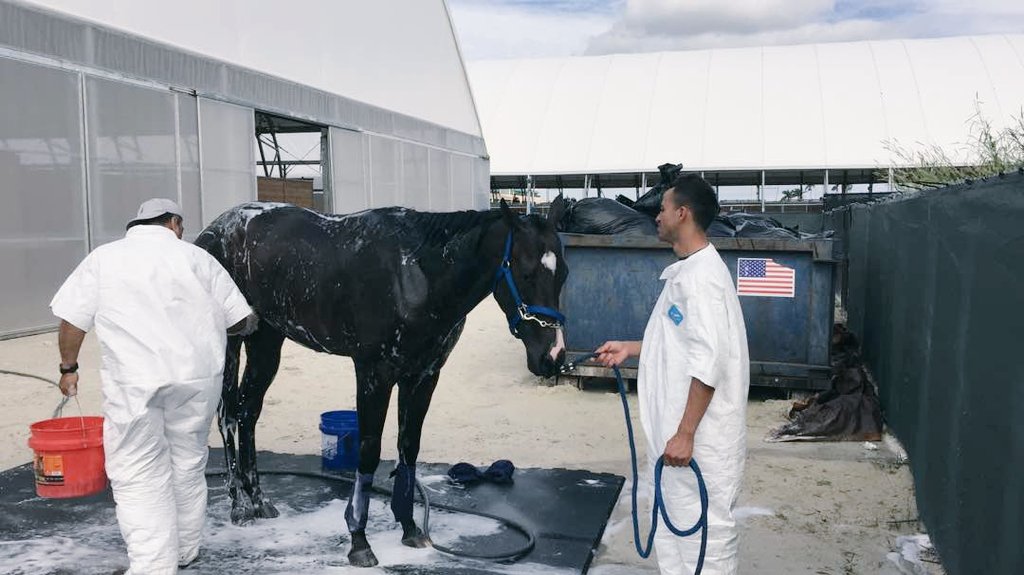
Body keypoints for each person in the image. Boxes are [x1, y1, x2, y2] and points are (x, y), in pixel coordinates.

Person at [50, 198, 257, 574]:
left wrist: (69, 368)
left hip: (137, 383)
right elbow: (241, 321)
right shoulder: (199, 259)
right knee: (188, 463)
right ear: (173, 222)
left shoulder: (104, 258)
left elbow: (72, 321)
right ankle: (185, 550)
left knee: (138, 468)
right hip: (197, 382)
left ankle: (153, 565)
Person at [596, 174, 749, 575]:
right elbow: (681, 342)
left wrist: (685, 433)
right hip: (676, 442)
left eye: (662, 208)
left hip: (698, 444)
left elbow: (709, 362)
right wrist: (631, 348)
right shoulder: (687, 273)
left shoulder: (701, 281)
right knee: (673, 536)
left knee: (705, 544)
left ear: (682, 214)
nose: (657, 216)